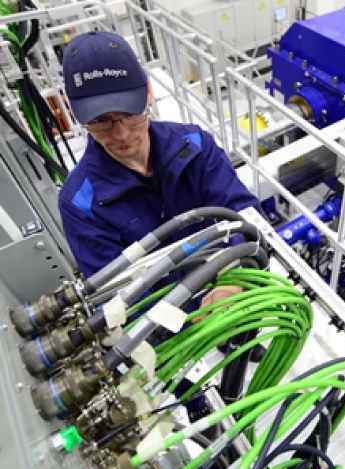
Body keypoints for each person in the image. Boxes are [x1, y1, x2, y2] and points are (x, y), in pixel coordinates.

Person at [58, 31, 258, 312]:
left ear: (149, 93)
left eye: (130, 114)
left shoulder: (196, 145)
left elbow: (244, 214)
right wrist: (181, 325)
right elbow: (116, 296)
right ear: (76, 114)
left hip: (232, 284)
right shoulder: (81, 203)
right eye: (101, 122)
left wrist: (234, 278)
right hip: (168, 326)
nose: (121, 133)